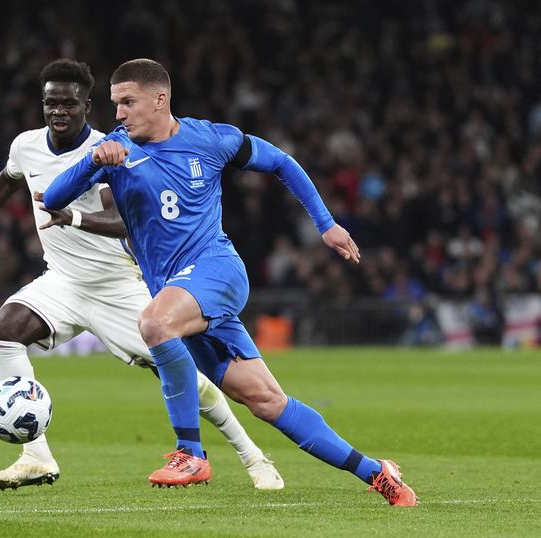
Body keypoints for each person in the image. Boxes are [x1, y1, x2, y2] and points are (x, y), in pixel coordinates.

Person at [43, 58, 417, 505]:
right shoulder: (115, 151)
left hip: (216, 270)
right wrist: (91, 161)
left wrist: (326, 224)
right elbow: (54, 198)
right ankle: (377, 472)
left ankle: (190, 453)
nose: (119, 114)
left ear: (159, 100)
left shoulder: (210, 138)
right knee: (267, 402)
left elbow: (281, 162)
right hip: (179, 295)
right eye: (115, 104)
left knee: (154, 324)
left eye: (128, 102)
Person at [0, 59, 283, 491]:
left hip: (116, 285)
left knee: (181, 376)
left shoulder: (112, 150)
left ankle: (252, 455)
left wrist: (74, 218)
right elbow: (7, 180)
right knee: (5, 331)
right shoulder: (26, 146)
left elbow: (126, 220)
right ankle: (35, 456)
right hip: (63, 281)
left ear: (86, 106)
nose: (58, 111)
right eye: (50, 102)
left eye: (69, 103)